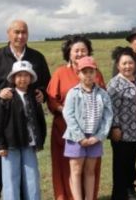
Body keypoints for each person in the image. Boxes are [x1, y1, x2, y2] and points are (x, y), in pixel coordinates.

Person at [0, 20, 51, 200]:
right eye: (16, 32)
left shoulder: (37, 57)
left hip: (29, 121)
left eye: (24, 32)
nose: (20, 36)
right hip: (3, 120)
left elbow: (46, 83)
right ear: (8, 33)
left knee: (28, 169)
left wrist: (42, 93)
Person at [46, 35, 106, 200]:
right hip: (65, 128)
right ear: (69, 53)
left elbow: (103, 97)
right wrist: (67, 111)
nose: (80, 53)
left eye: (83, 50)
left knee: (89, 168)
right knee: (68, 167)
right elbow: (51, 99)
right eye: (76, 50)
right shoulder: (60, 73)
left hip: (92, 130)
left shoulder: (96, 73)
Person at [0, 60, 47, 200]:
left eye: (26, 75)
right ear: (13, 78)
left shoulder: (35, 96)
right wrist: (1, 145)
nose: (23, 78)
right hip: (10, 145)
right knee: (11, 179)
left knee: (32, 177)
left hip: (29, 144)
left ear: (31, 78)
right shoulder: (7, 97)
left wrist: (40, 141)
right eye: (19, 75)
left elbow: (40, 120)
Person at [62, 56, 114, 200]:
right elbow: (69, 115)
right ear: (78, 74)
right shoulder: (73, 93)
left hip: (94, 137)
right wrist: (80, 137)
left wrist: (98, 136)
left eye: (91, 72)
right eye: (84, 72)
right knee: (76, 170)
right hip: (75, 138)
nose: (88, 75)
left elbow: (108, 116)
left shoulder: (103, 94)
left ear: (96, 73)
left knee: (90, 171)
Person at [107, 46, 136, 200]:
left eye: (130, 63)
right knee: (121, 164)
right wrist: (115, 127)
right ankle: (120, 194)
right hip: (121, 131)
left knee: (131, 162)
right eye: (124, 63)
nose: (127, 66)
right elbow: (111, 108)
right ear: (118, 65)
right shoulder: (114, 84)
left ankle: (130, 189)